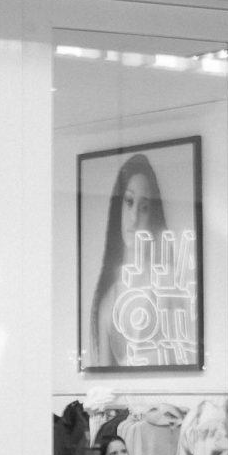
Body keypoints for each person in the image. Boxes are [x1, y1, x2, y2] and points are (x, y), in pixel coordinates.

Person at [88, 152, 167, 367]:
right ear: (119, 207)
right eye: (129, 202)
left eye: (144, 207)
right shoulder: (107, 303)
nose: (134, 217)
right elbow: (103, 378)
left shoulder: (165, 284)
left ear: (152, 214)